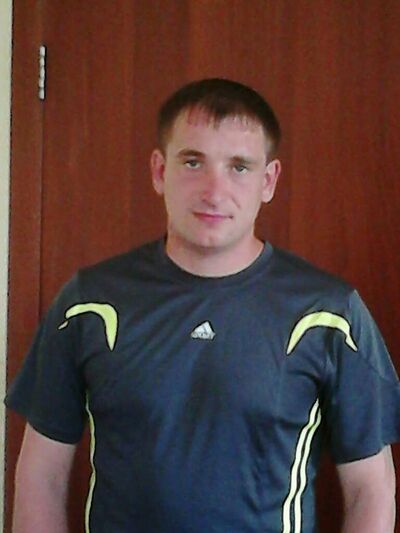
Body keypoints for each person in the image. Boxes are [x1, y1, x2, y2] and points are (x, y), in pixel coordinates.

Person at [6, 78, 400, 533]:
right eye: (193, 162)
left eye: (239, 167)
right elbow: (42, 477)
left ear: (269, 181)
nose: (214, 191)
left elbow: (370, 489)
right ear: (159, 171)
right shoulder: (88, 303)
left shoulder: (329, 313)